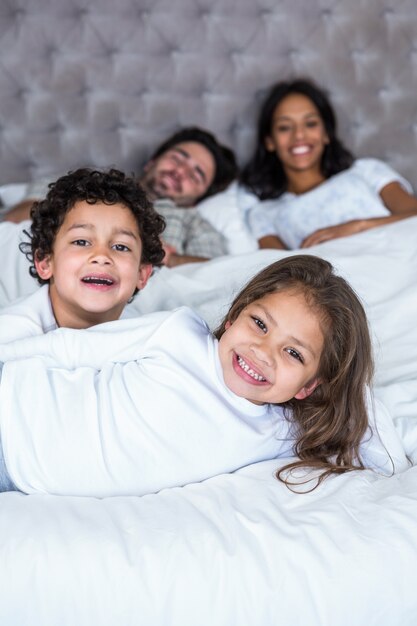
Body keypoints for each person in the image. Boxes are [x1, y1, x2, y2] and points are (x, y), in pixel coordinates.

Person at [0, 255, 406, 496]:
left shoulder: (282, 430)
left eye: (293, 352)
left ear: (308, 386)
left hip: (24, 472)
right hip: (16, 404)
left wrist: (348, 386)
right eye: (260, 324)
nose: (262, 353)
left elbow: (378, 448)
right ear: (233, 317)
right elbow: (70, 347)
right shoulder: (178, 334)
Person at [2, 127, 238, 267]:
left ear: (199, 197)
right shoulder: (80, 182)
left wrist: (160, 255)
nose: (180, 172)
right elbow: (13, 224)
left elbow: (214, 273)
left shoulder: (194, 223)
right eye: (177, 158)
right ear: (152, 162)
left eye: (196, 175)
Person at [241, 78, 417, 250]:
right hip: (340, 277)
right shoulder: (263, 214)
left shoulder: (365, 171)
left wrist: (359, 227)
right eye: (285, 127)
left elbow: (413, 215)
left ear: (326, 134)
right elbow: (278, 270)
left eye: (310, 124)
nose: (299, 136)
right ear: (269, 141)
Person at [0, 168, 165, 342]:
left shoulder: (145, 338)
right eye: (81, 242)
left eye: (121, 247)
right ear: (45, 263)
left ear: (142, 274)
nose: (101, 256)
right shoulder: (11, 334)